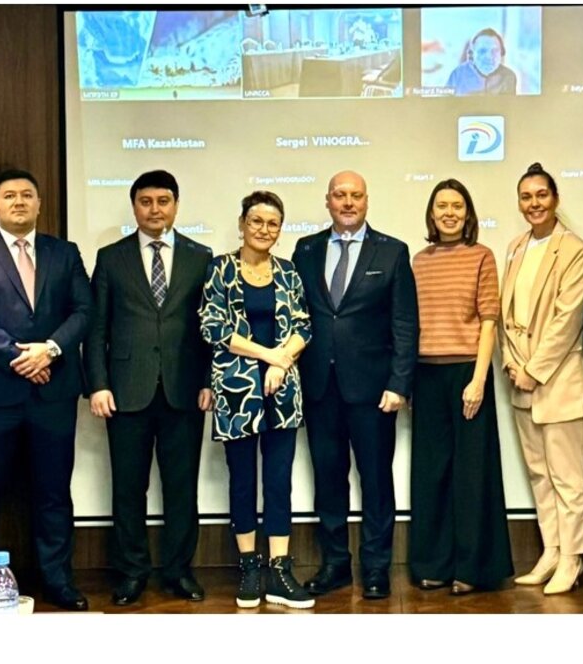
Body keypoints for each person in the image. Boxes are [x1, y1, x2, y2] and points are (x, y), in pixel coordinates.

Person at [0, 168, 92, 611]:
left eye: (27, 195)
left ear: (39, 203)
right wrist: (21, 356)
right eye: (9, 195)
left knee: (54, 494)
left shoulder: (64, 253)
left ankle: (58, 580)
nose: (19, 202)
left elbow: (84, 310)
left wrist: (50, 350)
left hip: (53, 393)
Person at [84, 170, 213, 605]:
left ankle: (178, 571)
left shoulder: (201, 257)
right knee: (128, 489)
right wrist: (98, 384)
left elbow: (210, 328)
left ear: (176, 205)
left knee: (182, 489)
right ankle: (131, 572)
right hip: (125, 392)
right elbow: (96, 328)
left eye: (163, 201)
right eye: (145, 201)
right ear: (134, 206)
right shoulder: (110, 257)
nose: (154, 209)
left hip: (184, 390)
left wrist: (208, 381)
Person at [291, 170, 419, 600]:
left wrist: (399, 383)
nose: (348, 202)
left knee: (376, 480)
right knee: (328, 479)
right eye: (340, 195)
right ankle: (335, 565)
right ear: (327, 201)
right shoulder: (306, 250)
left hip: (374, 391)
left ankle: (377, 567)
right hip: (319, 387)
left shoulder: (392, 251)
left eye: (356, 196)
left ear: (367, 201)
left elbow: (405, 323)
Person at [199, 191, 314, 609]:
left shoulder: (289, 271)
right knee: (243, 479)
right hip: (237, 391)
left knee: (279, 480)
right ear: (242, 224)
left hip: (283, 390)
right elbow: (213, 327)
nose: (264, 229)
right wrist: (270, 356)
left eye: (272, 223)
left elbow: (303, 325)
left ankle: (279, 570)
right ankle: (249, 566)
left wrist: (282, 363)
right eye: (256, 221)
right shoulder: (220, 269)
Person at [408, 178, 513, 595]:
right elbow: (410, 324)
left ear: (467, 214)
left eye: (457, 206)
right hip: (426, 375)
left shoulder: (481, 255)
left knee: (472, 475)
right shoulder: (419, 261)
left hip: (468, 373)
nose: (449, 213)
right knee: (431, 474)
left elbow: (489, 320)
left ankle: (472, 568)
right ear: (431, 214)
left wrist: (479, 380)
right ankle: (434, 564)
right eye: (442, 206)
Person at [499, 163, 583, 595]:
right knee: (539, 475)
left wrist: (534, 370)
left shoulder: (573, 250)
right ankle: (551, 551)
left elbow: (566, 320)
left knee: (568, 479)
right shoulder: (516, 247)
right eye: (526, 197)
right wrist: (513, 364)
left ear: (555, 199)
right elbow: (505, 316)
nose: (533, 203)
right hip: (520, 380)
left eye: (541, 195)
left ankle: (573, 557)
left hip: (558, 381)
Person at [445, 28, 517, 96]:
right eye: (482, 51)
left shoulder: (509, 76)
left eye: (495, 51)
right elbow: (444, 102)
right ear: (472, 54)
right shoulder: (457, 75)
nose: (489, 57)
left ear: (502, 53)